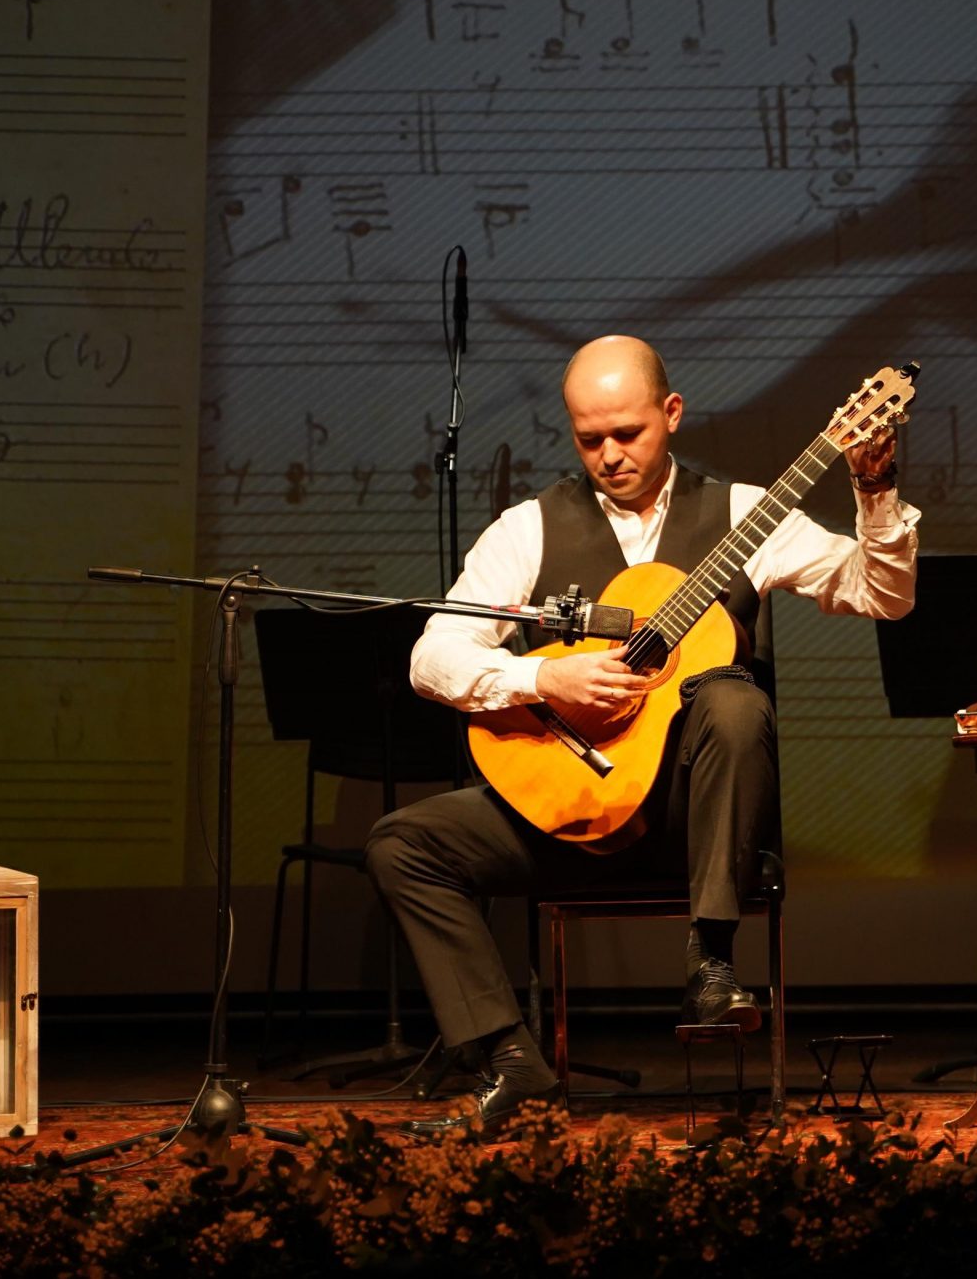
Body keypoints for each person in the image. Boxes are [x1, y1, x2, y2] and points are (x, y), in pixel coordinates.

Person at [370, 334, 917, 1133]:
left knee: (733, 700)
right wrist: (540, 677)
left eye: (628, 433)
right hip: (570, 818)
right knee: (401, 845)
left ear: (672, 414)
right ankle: (510, 1060)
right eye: (590, 439)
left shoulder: (742, 514)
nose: (611, 455)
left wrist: (874, 488)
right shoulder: (529, 528)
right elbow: (432, 658)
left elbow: (884, 596)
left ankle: (710, 962)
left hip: (688, 829)